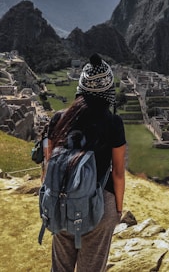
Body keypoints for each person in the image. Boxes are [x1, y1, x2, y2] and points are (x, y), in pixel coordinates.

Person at [44, 53, 126, 272]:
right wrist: (117, 210)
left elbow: (49, 162)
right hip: (99, 208)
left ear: (81, 86)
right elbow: (118, 172)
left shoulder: (60, 118)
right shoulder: (113, 123)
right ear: (108, 89)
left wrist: (49, 197)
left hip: (61, 202)